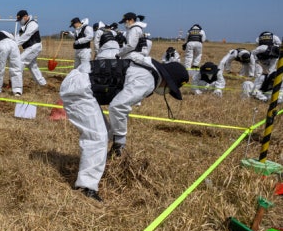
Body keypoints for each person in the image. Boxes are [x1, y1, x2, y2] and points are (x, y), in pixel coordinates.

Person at [60, 56, 189, 201]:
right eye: (170, 88)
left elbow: (122, 106)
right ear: (167, 81)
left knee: (106, 133)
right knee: (97, 137)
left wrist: (117, 136)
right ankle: (86, 187)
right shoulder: (147, 79)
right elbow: (118, 106)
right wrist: (120, 139)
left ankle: (99, 166)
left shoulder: (145, 70)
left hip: (80, 84)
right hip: (79, 89)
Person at [16, 9, 47, 86]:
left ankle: (16, 84)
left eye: (21, 19)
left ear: (26, 17)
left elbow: (26, 36)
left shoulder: (33, 24)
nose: (20, 21)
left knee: (20, 62)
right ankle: (42, 84)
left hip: (34, 47)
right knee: (33, 66)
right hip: (29, 48)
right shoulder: (23, 27)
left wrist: (15, 44)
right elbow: (18, 37)